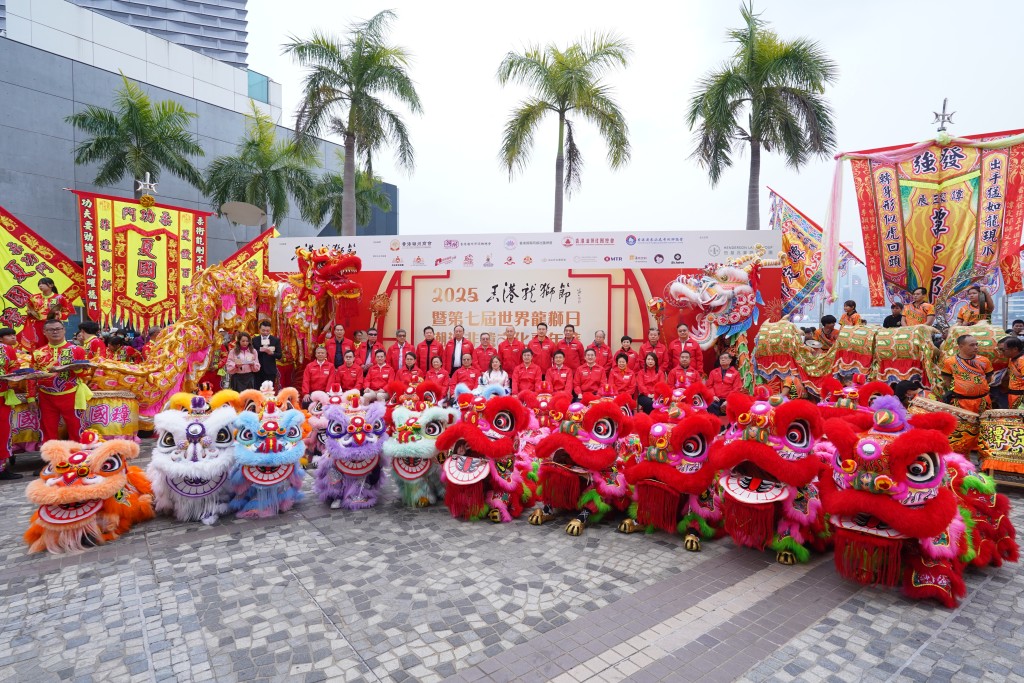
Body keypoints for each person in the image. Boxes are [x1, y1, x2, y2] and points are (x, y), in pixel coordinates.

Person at [32, 319, 89, 441]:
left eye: (58, 329)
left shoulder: (77, 350)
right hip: (46, 396)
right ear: (44, 332)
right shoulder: (38, 353)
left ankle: (77, 456)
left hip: (71, 394)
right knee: (47, 430)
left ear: (64, 330)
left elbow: (86, 374)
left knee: (76, 428)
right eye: (50, 330)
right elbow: (32, 377)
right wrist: (31, 397)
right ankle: (51, 457)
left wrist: (77, 369)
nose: (55, 332)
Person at [941, 334, 993, 414]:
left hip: (982, 401)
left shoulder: (984, 360)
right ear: (961, 346)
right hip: (961, 401)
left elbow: (988, 378)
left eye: (976, 344)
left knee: (983, 424)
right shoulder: (950, 362)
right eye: (972, 345)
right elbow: (947, 379)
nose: (975, 347)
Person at [18, 277, 75, 350]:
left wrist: (59, 314)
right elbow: (30, 309)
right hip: (37, 324)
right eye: (39, 284)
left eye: (43, 284)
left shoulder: (59, 298)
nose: (40, 286)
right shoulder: (34, 297)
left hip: (53, 324)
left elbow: (67, 311)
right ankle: (39, 358)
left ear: (51, 285)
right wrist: (30, 313)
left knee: (54, 342)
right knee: (37, 343)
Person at [0, 327, 22, 479]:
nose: (13, 337)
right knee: (3, 433)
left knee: (3, 432)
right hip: (2, 396)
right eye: (9, 335)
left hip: (3, 396)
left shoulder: (8, 349)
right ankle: (2, 469)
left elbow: (15, 368)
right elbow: (15, 368)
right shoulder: (7, 349)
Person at [255, 320, 282, 389]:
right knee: (257, 392)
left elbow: (279, 355)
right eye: (263, 330)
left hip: (270, 370)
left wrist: (272, 353)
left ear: (270, 330)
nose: (265, 333)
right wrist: (261, 350)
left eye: (267, 331)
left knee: (269, 392)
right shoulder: (255, 340)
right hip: (257, 371)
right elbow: (252, 353)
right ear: (259, 329)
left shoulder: (275, 340)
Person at [998, 337, 1024, 409]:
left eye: (1002, 350)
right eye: (999, 350)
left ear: (1015, 349)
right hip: (1013, 394)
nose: (1001, 353)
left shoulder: (1022, 361)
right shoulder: (1012, 358)